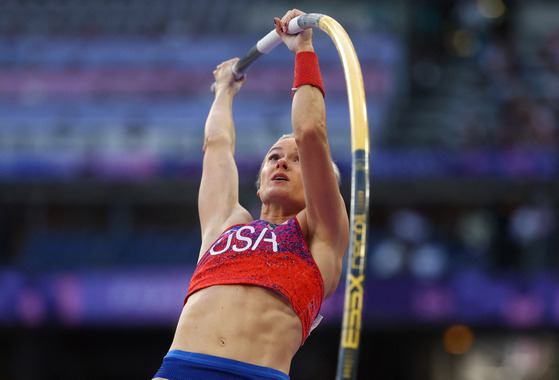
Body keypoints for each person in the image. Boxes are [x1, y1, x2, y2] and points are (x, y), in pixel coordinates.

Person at [153, 9, 349, 380]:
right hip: (179, 369)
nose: (282, 163)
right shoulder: (225, 225)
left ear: (320, 184)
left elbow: (309, 131)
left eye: (296, 161)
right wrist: (224, 91)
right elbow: (216, 146)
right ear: (258, 181)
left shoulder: (321, 235)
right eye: (274, 156)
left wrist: (303, 48)